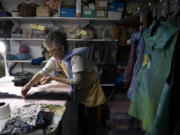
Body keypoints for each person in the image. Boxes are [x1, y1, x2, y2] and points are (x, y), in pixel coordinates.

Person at [21, 30, 106, 135]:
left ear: (62, 48)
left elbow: (76, 81)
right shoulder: (57, 58)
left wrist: (53, 78)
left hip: (90, 90)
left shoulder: (76, 58)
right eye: (48, 51)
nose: (50, 54)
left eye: (52, 51)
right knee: (81, 119)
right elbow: (42, 72)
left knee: (90, 122)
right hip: (80, 90)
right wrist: (28, 86)